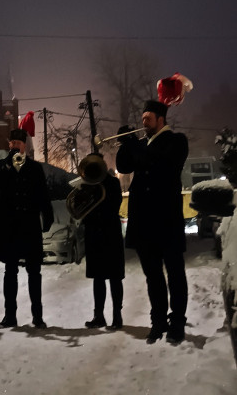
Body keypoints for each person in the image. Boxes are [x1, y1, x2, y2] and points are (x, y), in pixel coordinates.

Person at [116, 101, 189, 344]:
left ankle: (177, 322)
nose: (144, 122)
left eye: (148, 118)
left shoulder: (177, 141)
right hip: (144, 220)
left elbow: (157, 161)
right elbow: (123, 166)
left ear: (161, 119)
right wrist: (125, 145)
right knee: (153, 276)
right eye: (143, 118)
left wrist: (133, 144)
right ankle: (158, 321)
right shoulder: (141, 144)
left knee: (175, 274)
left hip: (166, 219)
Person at [0, 128, 54, 329]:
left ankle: (37, 316)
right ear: (9, 144)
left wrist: (47, 215)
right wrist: (8, 164)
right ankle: (10, 316)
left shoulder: (34, 167)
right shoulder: (1, 165)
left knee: (34, 271)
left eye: (19, 143)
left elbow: (43, 193)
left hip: (29, 224)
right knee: (10, 271)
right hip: (10, 225)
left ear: (24, 145)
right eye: (12, 142)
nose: (15, 145)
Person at [82, 166, 125, 330]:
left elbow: (114, 205)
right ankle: (98, 316)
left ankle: (117, 316)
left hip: (110, 233)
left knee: (115, 278)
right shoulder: (86, 185)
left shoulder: (112, 183)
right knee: (98, 278)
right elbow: (81, 209)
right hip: (94, 235)